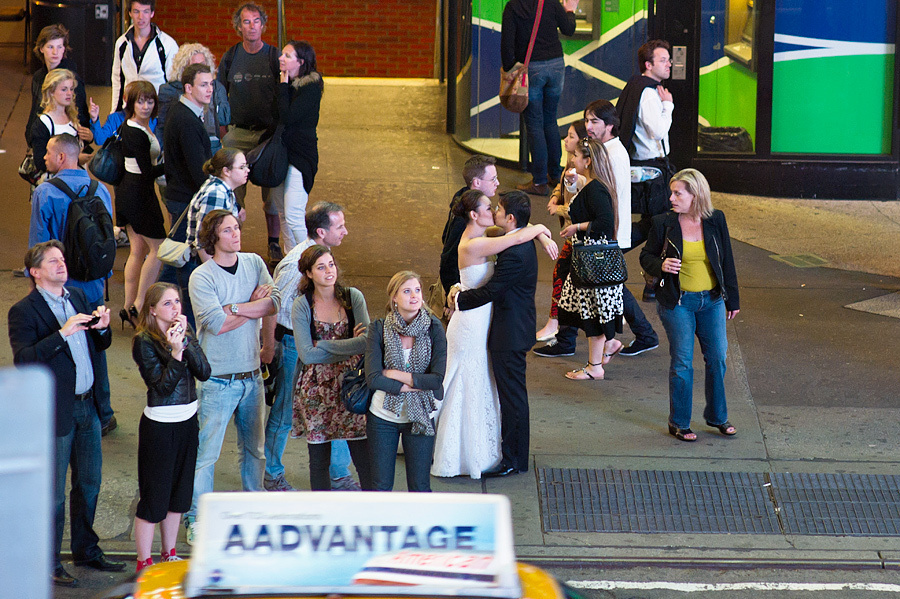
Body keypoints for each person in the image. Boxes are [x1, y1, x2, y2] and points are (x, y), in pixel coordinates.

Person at [7, 241, 124, 587]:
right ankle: (47, 560)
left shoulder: (75, 296)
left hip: (88, 407)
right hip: (55, 412)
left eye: (62, 259)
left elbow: (97, 346)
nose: (62, 265)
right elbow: (24, 361)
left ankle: (86, 550)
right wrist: (62, 333)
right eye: (53, 261)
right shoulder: (23, 312)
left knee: (89, 483)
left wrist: (101, 328)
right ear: (35, 272)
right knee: (54, 494)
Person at [434, 190, 554, 479]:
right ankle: (488, 450)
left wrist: (459, 299)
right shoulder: (488, 242)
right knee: (476, 382)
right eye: (490, 207)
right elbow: (513, 237)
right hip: (482, 325)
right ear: (474, 215)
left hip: (505, 330)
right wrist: (538, 230)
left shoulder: (510, 248)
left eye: (497, 208)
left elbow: (491, 289)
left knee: (510, 396)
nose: (494, 211)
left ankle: (513, 458)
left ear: (510, 218)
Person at [535, 101, 660, 357]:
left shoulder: (610, 154)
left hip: (604, 234)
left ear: (609, 125)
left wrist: (567, 211)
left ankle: (577, 341)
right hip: (602, 232)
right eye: (587, 120)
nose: (588, 127)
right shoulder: (605, 150)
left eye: (594, 122)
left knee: (586, 280)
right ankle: (637, 335)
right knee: (596, 284)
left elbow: (599, 195)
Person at [185, 210, 279, 543]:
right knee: (206, 454)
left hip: (252, 375)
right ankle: (196, 516)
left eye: (237, 227)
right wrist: (247, 304)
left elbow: (273, 304)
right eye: (228, 230)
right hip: (217, 380)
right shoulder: (202, 277)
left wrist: (235, 308)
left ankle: (253, 506)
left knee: (255, 449)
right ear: (213, 237)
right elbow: (215, 323)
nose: (236, 234)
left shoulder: (254, 263)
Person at [264, 202, 358, 492]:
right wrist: (269, 348)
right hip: (294, 345)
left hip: (325, 345)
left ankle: (339, 474)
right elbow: (273, 307)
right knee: (284, 410)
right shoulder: (296, 265)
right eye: (339, 226)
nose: (345, 231)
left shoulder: (323, 258)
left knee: (335, 404)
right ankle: (272, 473)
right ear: (321, 231)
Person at [640, 169, 740, 442]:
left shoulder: (715, 219)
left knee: (718, 358)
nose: (671, 198)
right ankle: (679, 422)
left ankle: (718, 417)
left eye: (677, 193)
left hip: (712, 301)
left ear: (695, 195)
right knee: (683, 362)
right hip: (678, 302)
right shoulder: (664, 223)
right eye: (671, 192)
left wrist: (733, 298)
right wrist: (660, 265)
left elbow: (726, 260)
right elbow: (645, 255)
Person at [29, 133, 117, 436]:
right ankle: (103, 412)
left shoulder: (45, 192)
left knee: (61, 348)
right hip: (93, 285)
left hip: (60, 289)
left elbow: (39, 246)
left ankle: (63, 412)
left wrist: (37, 284)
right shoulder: (101, 189)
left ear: (62, 157)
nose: (44, 158)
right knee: (96, 344)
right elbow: (106, 238)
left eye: (49, 154)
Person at [131, 282, 210, 572]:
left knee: (179, 496)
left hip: (188, 420)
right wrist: (176, 354)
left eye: (177, 301)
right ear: (152, 309)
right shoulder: (144, 341)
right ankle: (143, 561)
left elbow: (204, 370)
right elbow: (162, 388)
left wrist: (186, 341)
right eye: (167, 303)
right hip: (160, 427)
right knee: (155, 497)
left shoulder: (184, 333)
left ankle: (169, 553)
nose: (175, 307)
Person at [292, 245, 372, 491]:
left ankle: (375, 511)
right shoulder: (302, 305)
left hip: (352, 387)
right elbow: (306, 354)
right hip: (315, 390)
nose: (329, 271)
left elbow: (367, 341)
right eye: (321, 267)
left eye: (331, 264)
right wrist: (349, 345)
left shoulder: (352, 297)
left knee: (363, 457)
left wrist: (324, 344)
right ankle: (322, 514)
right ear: (308, 273)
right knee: (318, 461)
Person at [367, 271, 447, 491]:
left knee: (420, 486)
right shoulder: (379, 328)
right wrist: (415, 384)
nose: (414, 296)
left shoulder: (434, 328)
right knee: (380, 486)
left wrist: (393, 374)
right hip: (383, 416)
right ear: (394, 297)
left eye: (418, 290)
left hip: (421, 415)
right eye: (407, 291)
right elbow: (374, 378)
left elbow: (437, 380)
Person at [555, 138, 624, 381]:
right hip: (592, 262)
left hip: (592, 263)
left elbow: (604, 222)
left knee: (593, 313)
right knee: (593, 312)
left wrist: (577, 226)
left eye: (576, 156)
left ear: (588, 160)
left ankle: (595, 366)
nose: (572, 160)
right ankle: (609, 346)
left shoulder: (596, 189)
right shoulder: (595, 185)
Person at [218, 1, 282, 264]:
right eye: (246, 21)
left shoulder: (274, 57)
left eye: (256, 21)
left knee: (273, 195)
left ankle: (274, 244)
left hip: (268, 136)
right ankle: (233, 245)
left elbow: (285, 94)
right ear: (238, 27)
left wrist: (280, 132)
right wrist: (223, 129)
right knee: (232, 193)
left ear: (263, 25)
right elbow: (219, 93)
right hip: (237, 134)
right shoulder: (231, 56)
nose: (252, 26)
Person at [617, 39, 675, 301]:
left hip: (641, 167)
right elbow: (657, 131)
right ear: (648, 65)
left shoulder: (635, 86)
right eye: (663, 60)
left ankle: (651, 280)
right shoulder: (651, 93)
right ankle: (651, 279)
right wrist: (668, 106)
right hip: (652, 169)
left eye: (669, 59)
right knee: (660, 224)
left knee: (653, 222)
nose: (669, 64)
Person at [501, 0, 577, 196]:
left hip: (532, 69)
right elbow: (569, 29)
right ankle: (554, 174)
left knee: (534, 124)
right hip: (556, 65)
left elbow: (507, 44)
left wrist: (511, 68)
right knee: (550, 120)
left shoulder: (513, 7)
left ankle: (540, 181)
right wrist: (570, 10)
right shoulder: (550, 2)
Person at [162, 63, 214, 326]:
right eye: (203, 84)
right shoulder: (186, 120)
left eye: (211, 84)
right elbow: (199, 170)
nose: (210, 89)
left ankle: (160, 313)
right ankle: (181, 322)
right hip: (185, 200)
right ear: (188, 88)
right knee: (181, 265)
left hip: (181, 197)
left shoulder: (184, 113)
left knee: (176, 261)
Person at [114, 81, 166, 324]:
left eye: (150, 101)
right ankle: (139, 305)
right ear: (131, 103)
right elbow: (147, 172)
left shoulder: (133, 126)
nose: (145, 106)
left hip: (129, 192)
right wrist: (173, 163)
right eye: (140, 101)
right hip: (139, 193)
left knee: (138, 250)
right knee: (160, 249)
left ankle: (127, 306)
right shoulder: (135, 131)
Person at [534, 120, 587, 344]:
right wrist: (556, 194)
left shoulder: (585, 173)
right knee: (578, 281)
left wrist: (559, 208)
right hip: (571, 234)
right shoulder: (571, 163)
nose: (566, 139)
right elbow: (564, 182)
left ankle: (556, 325)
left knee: (563, 276)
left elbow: (580, 207)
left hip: (579, 236)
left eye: (571, 136)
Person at [271, 40, 323, 251]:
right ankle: (291, 263)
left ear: (301, 62)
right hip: (281, 155)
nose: (281, 58)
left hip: (300, 157)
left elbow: (288, 116)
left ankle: (313, 259)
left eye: (287, 56)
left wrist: (283, 87)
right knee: (282, 212)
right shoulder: (285, 83)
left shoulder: (310, 87)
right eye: (282, 54)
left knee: (293, 215)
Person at [438, 155, 500, 295]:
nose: (498, 183)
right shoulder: (463, 219)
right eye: (493, 179)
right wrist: (452, 294)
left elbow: (444, 237)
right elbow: (448, 258)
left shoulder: (462, 198)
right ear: (477, 183)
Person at [157, 43, 230, 154]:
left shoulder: (216, 87)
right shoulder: (169, 90)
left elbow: (225, 118)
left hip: (212, 146)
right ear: (183, 68)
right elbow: (163, 126)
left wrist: (209, 100)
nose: (199, 70)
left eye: (202, 65)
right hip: (182, 146)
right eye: (194, 66)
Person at [26, 24, 89, 150]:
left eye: (59, 47)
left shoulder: (72, 78)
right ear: (41, 49)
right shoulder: (38, 77)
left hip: (65, 142)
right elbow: (35, 110)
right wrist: (30, 136)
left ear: (64, 49)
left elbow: (80, 112)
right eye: (50, 47)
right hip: (42, 138)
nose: (55, 52)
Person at [110, 0, 178, 112]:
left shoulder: (167, 44)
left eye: (146, 12)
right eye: (136, 11)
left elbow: (174, 83)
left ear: (152, 13)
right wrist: (114, 112)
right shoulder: (121, 43)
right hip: (130, 109)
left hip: (157, 111)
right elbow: (117, 80)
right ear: (130, 13)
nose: (141, 17)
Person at [185, 148, 249, 262]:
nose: (247, 170)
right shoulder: (216, 194)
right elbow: (203, 241)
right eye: (242, 167)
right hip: (203, 262)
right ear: (226, 171)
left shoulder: (222, 189)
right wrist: (214, 272)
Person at [30, 69, 93, 175]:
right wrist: (75, 160)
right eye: (64, 89)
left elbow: (79, 145)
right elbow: (41, 162)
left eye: (71, 89)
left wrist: (89, 138)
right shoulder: (43, 124)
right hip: (55, 184)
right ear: (51, 92)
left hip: (77, 181)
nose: (69, 93)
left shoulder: (73, 117)